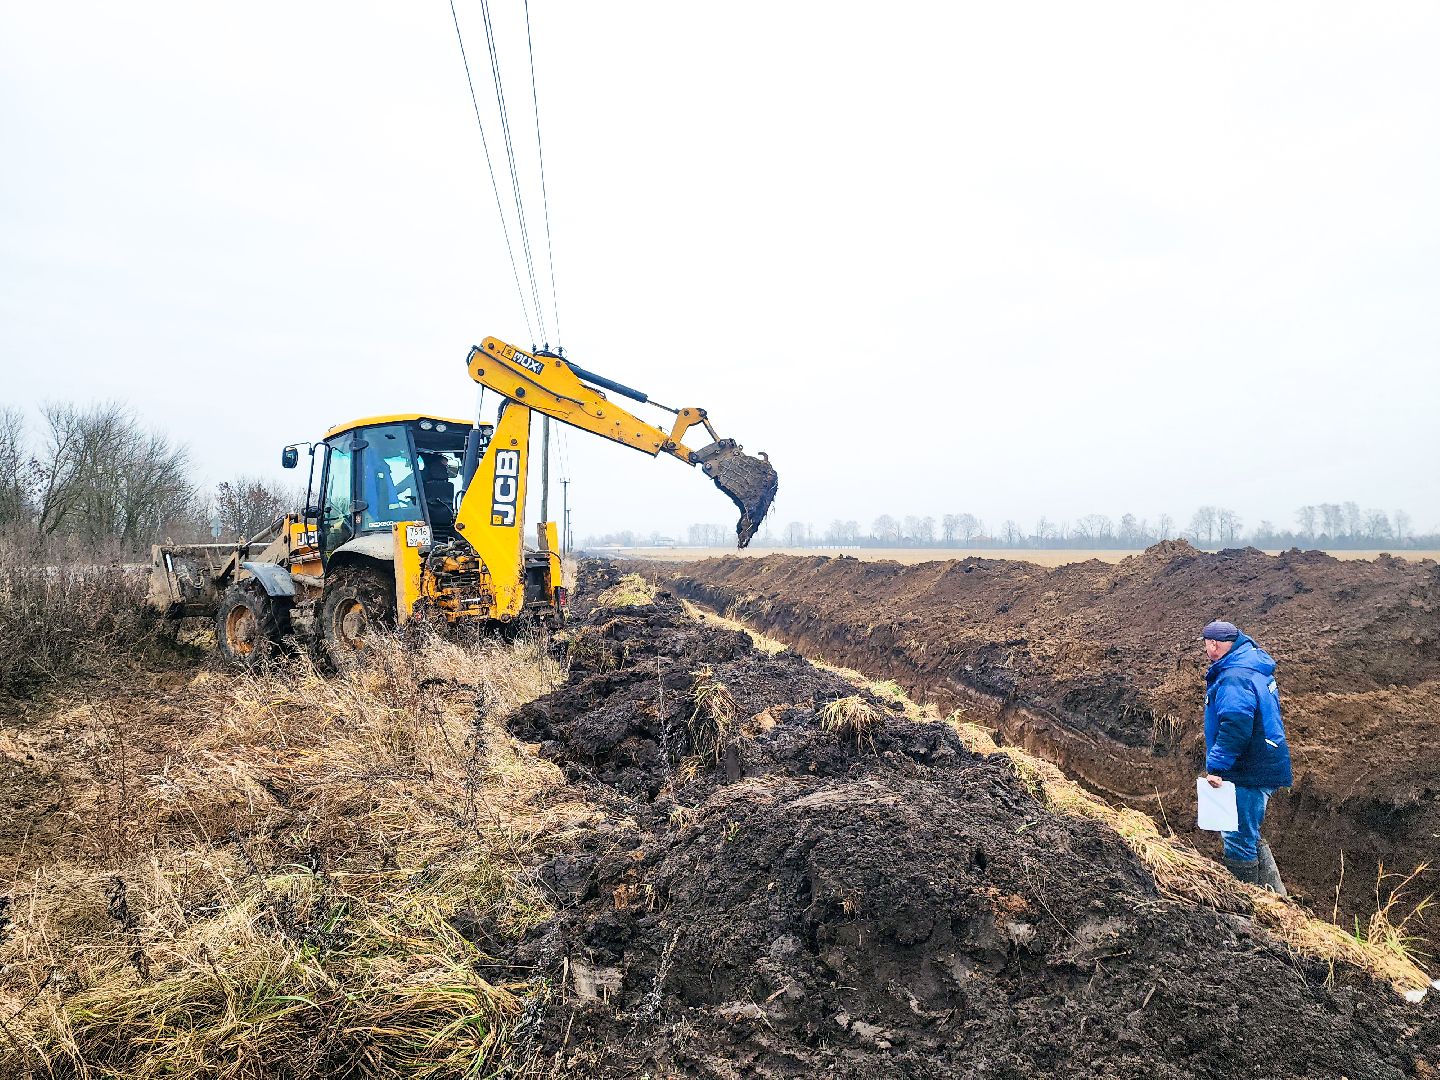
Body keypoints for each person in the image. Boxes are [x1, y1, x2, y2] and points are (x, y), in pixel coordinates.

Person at [1200, 620, 1292, 893]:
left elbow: (1236, 725)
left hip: (1250, 768)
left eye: (1206, 643)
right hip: (1262, 761)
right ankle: (1276, 897)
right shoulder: (1250, 665)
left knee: (1237, 835)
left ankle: (1247, 904)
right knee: (1247, 831)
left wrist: (1217, 766)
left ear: (1214, 645)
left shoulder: (1234, 678)